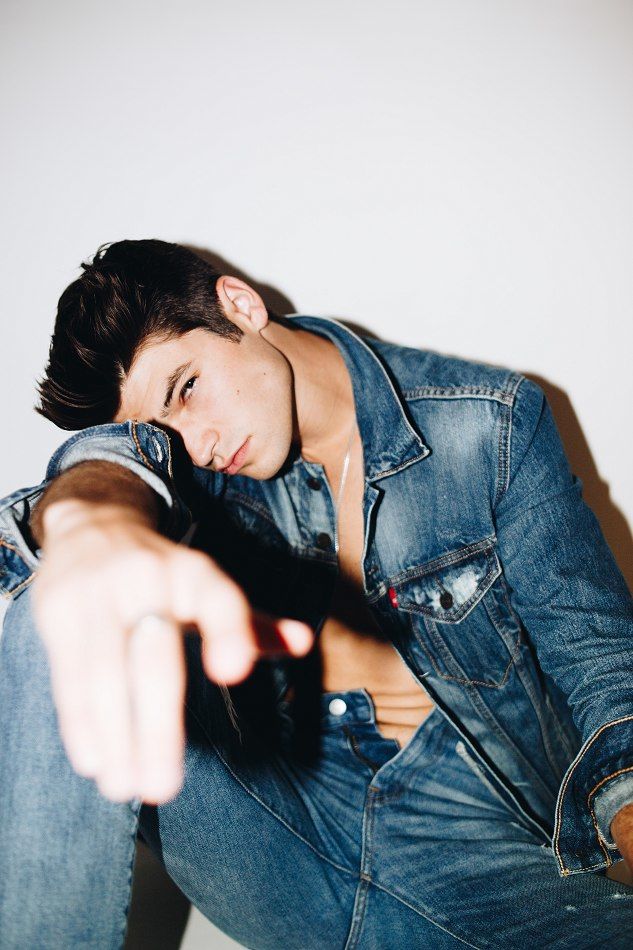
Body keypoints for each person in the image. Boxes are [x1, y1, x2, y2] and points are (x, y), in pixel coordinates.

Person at [0, 239, 632, 949]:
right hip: (275, 815)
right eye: (164, 433)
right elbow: (117, 461)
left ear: (240, 307)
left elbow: (599, 658)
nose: (199, 445)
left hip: (476, 840)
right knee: (63, 604)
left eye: (187, 388)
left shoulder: (488, 426)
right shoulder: (186, 472)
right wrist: (92, 519)